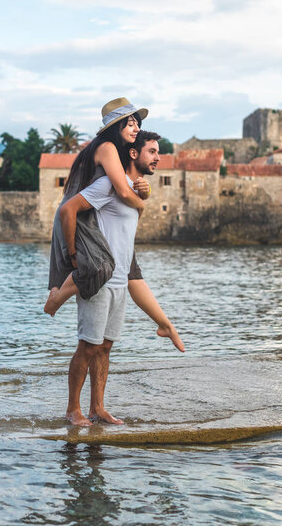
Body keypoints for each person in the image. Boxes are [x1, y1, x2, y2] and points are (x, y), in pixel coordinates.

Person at [60, 130, 184, 426]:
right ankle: (73, 410)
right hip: (99, 281)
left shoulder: (132, 190)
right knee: (87, 346)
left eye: (159, 153)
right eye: (152, 151)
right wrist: (75, 258)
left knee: (104, 347)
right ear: (133, 153)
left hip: (119, 283)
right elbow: (68, 210)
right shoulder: (108, 185)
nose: (158, 158)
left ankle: (98, 409)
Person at [44, 97, 183, 356]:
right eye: (129, 123)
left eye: (137, 124)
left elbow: (128, 182)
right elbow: (121, 189)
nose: (136, 128)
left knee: (124, 270)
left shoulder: (115, 152)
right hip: (80, 218)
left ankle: (165, 325)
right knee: (98, 267)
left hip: (87, 214)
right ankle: (55, 300)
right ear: (115, 126)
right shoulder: (107, 147)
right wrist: (142, 204)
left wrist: (146, 190)